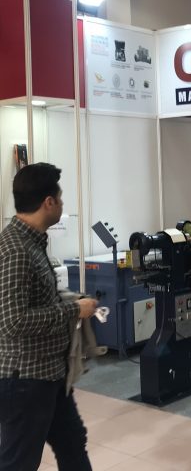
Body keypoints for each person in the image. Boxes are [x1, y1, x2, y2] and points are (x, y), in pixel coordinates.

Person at [0, 163, 98, 471]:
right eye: (61, 197)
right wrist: (74, 310)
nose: (63, 203)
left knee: (72, 443)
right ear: (49, 202)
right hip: (27, 380)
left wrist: (68, 300)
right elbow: (13, 321)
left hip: (51, 374)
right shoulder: (16, 250)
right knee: (19, 462)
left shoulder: (32, 242)